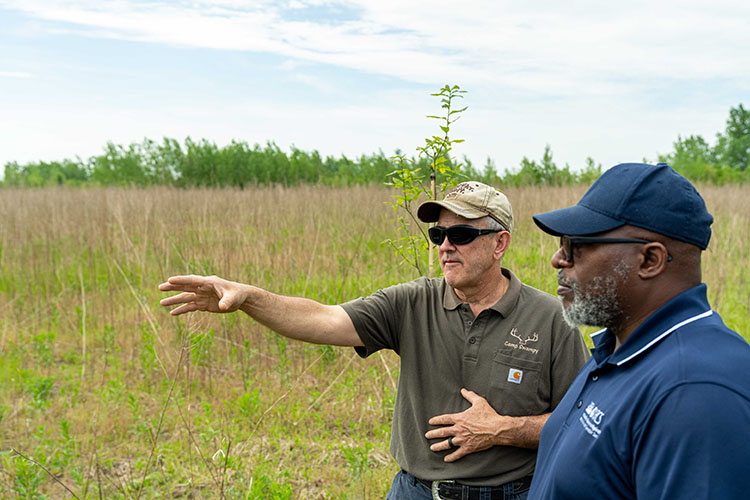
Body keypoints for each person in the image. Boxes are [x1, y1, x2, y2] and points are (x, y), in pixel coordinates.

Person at [159, 181, 589, 500]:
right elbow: (323, 320)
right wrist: (250, 297)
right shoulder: (411, 302)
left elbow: (580, 424)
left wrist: (501, 430)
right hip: (414, 491)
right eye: (438, 235)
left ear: (500, 243)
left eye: (460, 235)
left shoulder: (552, 319)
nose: (444, 247)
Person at [527, 162, 750, 499]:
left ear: (650, 260)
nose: (559, 259)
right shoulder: (621, 347)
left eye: (575, 245)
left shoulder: (693, 392)